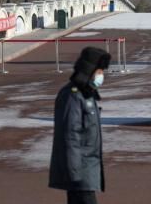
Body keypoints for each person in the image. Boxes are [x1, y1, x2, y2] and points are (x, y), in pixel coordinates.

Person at [49, 46, 111, 204]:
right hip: (80, 174)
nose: (101, 75)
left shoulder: (87, 94)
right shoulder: (73, 96)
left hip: (87, 170)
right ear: (90, 70)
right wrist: (75, 175)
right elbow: (71, 136)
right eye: (99, 71)